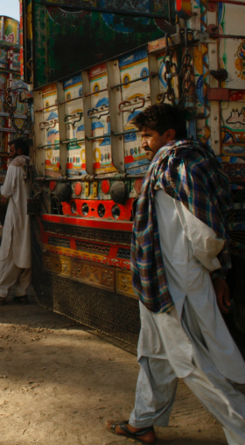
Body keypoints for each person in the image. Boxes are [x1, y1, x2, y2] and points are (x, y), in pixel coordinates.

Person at [105, 103, 245, 444]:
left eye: (148, 135)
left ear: (169, 135)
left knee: (193, 362)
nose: (143, 144)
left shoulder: (177, 164)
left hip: (174, 282)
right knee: (154, 352)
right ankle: (143, 421)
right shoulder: (184, 162)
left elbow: (205, 233)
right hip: (157, 277)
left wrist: (213, 271)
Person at [0, 137, 32, 306]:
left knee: (7, 254)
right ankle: (22, 292)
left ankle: (1, 293)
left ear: (19, 151)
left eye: (12, 151)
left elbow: (6, 191)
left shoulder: (15, 165)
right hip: (30, 216)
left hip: (16, 216)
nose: (10, 155)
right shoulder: (33, 163)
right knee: (26, 252)